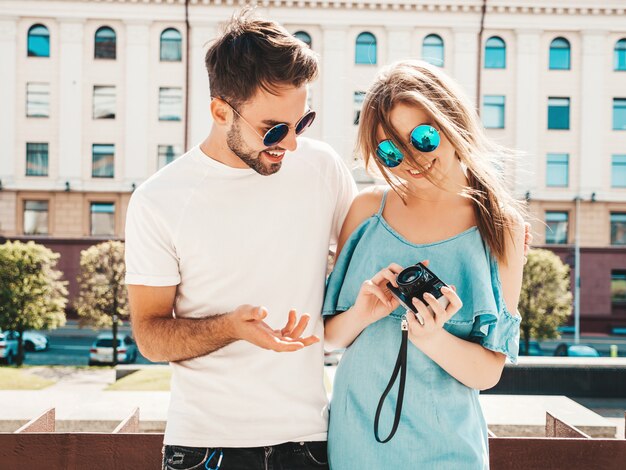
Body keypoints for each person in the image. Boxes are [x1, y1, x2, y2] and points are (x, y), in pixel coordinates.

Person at [124, 11, 357, 470]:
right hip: (203, 446)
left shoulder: (322, 168)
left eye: (301, 123)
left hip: (308, 440)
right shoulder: (158, 200)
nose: (290, 145)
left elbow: (368, 251)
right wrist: (229, 327)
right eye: (274, 129)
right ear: (220, 111)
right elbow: (150, 336)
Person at [322, 59, 526, 469]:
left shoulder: (501, 226)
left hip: (450, 445)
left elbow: (488, 372)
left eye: (424, 137)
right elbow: (329, 338)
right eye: (389, 151)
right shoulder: (365, 212)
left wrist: (433, 338)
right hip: (357, 434)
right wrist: (362, 312)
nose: (410, 159)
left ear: (453, 124)